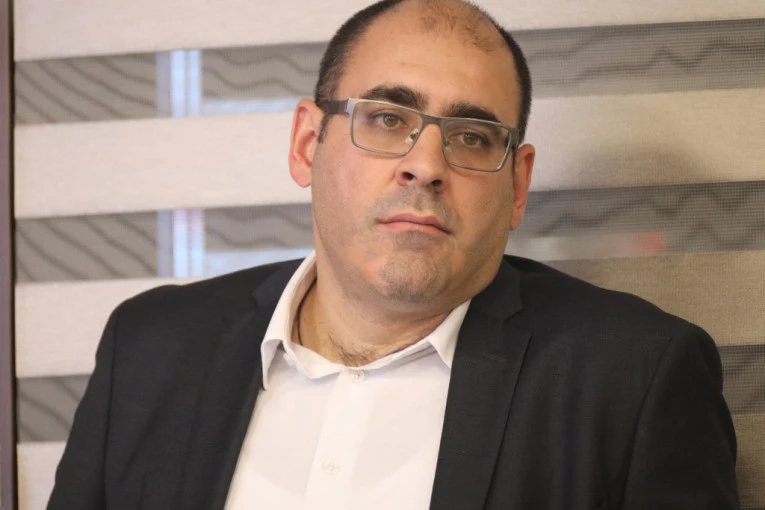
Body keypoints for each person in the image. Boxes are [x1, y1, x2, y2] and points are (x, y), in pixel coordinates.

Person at [48, 0, 740, 508]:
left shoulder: (634, 378)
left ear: (517, 185)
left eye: (471, 136)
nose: (426, 166)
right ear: (307, 144)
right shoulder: (150, 347)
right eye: (386, 118)